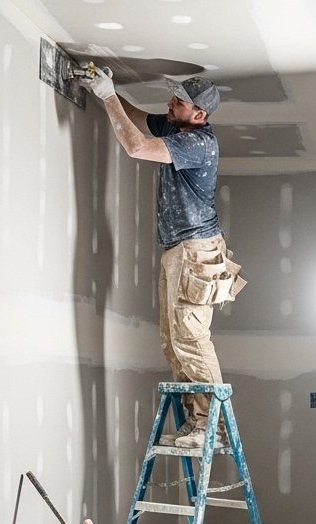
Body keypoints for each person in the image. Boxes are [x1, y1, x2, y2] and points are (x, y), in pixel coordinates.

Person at [86, 69, 244, 450]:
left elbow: (136, 146)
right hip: (180, 250)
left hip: (195, 251)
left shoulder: (199, 143)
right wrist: (102, 89)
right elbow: (136, 117)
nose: (169, 104)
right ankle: (197, 422)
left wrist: (107, 97)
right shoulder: (176, 127)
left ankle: (212, 427)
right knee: (173, 342)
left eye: (179, 102)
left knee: (190, 338)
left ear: (200, 115)